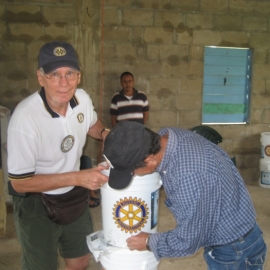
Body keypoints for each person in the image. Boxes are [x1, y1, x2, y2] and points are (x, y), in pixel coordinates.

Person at [103, 121, 267, 270]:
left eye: (133, 172)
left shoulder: (187, 177)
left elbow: (188, 241)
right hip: (240, 227)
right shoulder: (169, 136)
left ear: (149, 160)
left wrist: (148, 242)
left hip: (233, 250)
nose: (135, 176)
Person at [7, 41, 111, 270]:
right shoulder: (25, 119)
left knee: (81, 261)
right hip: (35, 200)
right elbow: (19, 183)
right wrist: (78, 177)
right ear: (40, 77)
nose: (63, 83)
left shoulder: (82, 99)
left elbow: (92, 124)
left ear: (79, 76)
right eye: (54, 74)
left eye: (69, 73)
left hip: (73, 195)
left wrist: (104, 134)